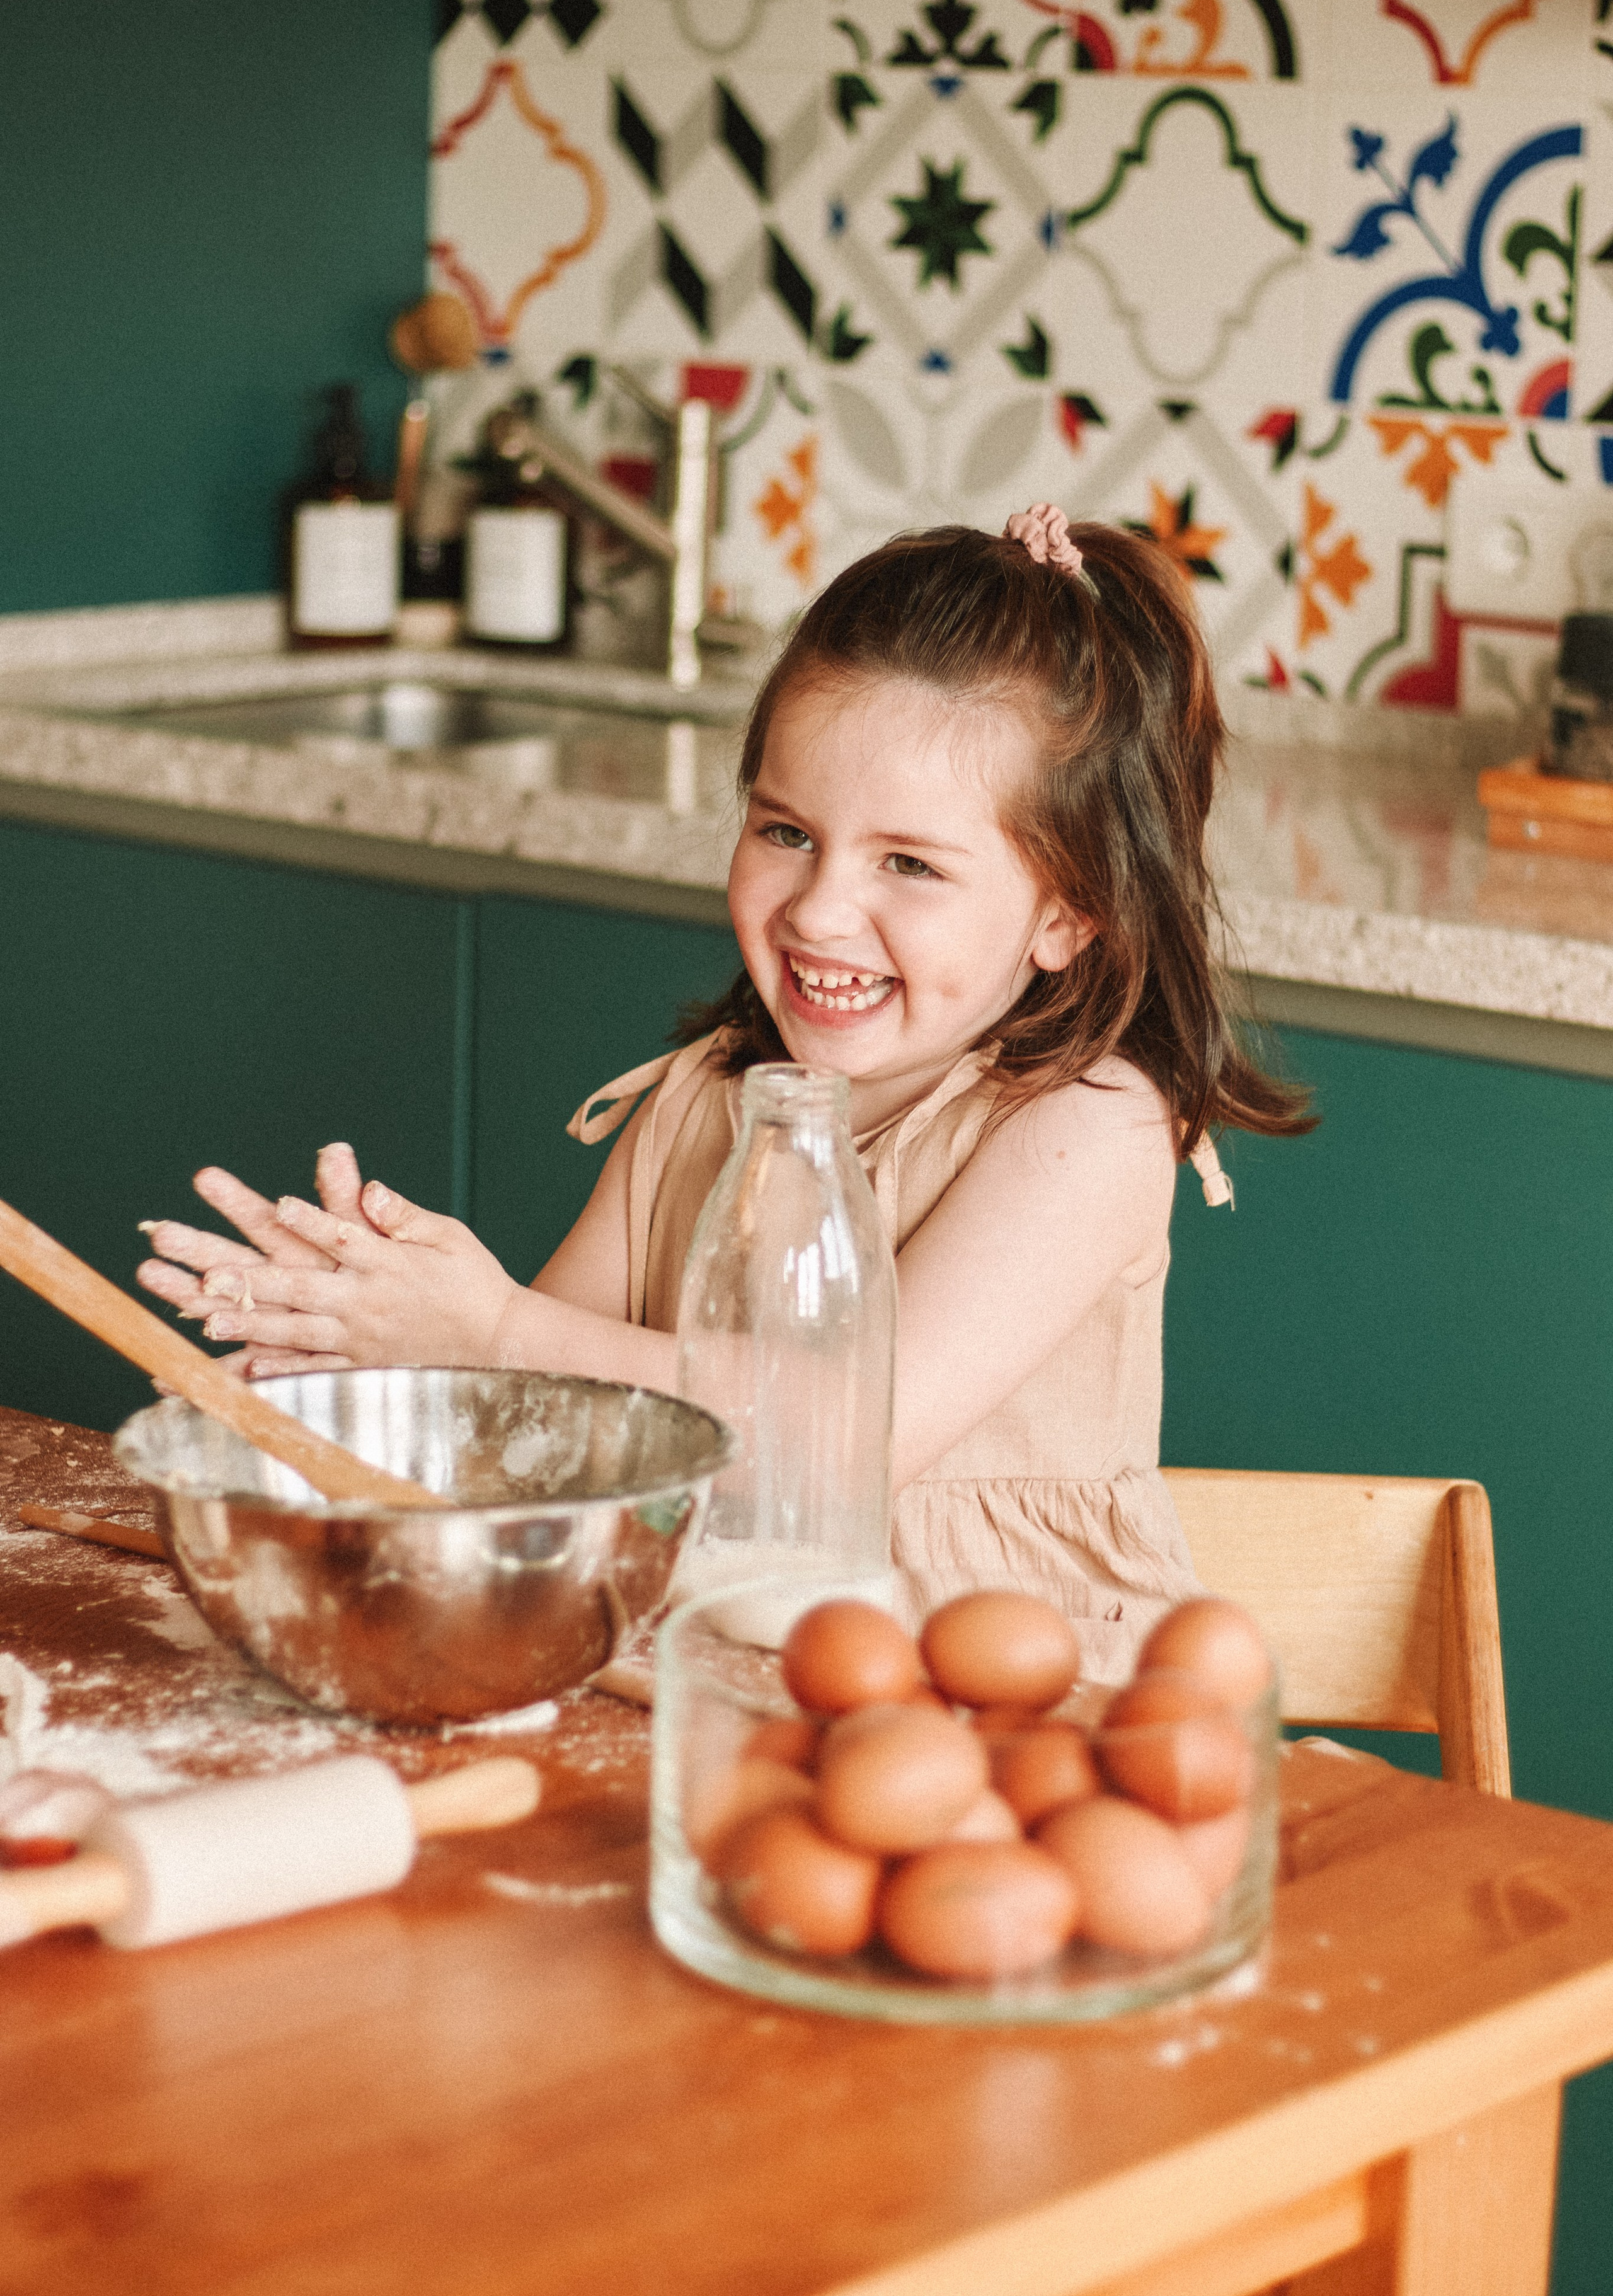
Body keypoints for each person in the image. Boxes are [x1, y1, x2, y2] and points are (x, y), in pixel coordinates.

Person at [138, 505, 1312, 1675]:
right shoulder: (705, 1097)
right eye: (786, 831)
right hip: (706, 1693)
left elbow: (845, 1439)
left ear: (1067, 912)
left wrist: (487, 1323)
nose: (819, 908)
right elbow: (551, 1414)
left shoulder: (1086, 1126)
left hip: (1025, 1737)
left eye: (908, 863)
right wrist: (378, 1348)